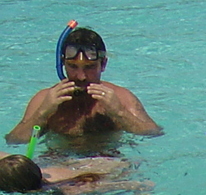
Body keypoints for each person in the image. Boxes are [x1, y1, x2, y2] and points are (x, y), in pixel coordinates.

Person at [5, 27, 161, 144]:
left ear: (103, 64)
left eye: (89, 67)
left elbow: (152, 133)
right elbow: (14, 140)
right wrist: (43, 113)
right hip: (61, 164)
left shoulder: (121, 97)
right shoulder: (46, 99)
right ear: (62, 64)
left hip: (107, 165)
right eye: (72, 66)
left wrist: (119, 112)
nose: (81, 76)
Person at [0, 152, 140, 195]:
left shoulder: (62, 192)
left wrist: (137, 186)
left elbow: (124, 185)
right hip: (98, 165)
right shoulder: (53, 173)